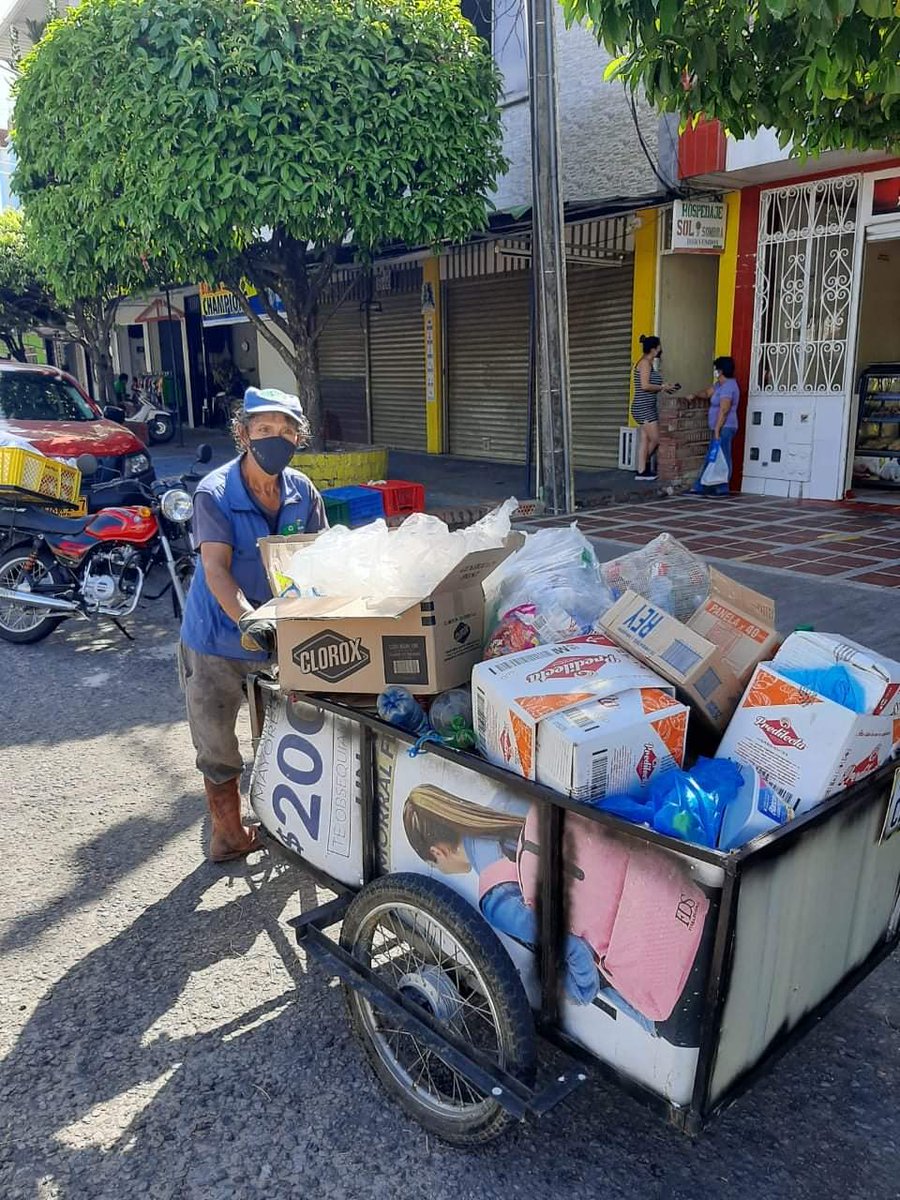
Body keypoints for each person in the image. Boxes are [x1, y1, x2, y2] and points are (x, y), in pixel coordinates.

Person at [178, 386, 328, 863]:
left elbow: (323, 557)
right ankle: (227, 834)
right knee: (219, 743)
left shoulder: (303, 492)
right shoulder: (215, 493)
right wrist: (249, 618)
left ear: (299, 438)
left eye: (286, 430)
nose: (275, 439)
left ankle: (280, 819)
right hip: (217, 639)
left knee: (282, 737)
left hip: (280, 640)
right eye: (265, 429)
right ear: (243, 434)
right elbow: (216, 569)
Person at [690, 355, 740, 495]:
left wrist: (717, 430)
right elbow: (707, 393)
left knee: (722, 456)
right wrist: (695, 395)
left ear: (721, 370)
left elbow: (724, 409)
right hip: (719, 428)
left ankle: (716, 486)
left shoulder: (729, 387)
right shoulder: (719, 385)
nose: (715, 372)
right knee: (715, 456)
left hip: (724, 427)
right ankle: (711, 485)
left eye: (716, 369)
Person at [632, 335, 677, 481]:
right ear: (654, 349)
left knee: (645, 439)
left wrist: (665, 387)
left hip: (647, 406)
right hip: (643, 407)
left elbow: (651, 385)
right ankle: (642, 466)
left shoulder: (649, 364)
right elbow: (645, 386)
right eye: (659, 346)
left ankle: (641, 472)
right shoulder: (645, 363)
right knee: (656, 439)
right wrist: (662, 388)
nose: (661, 349)